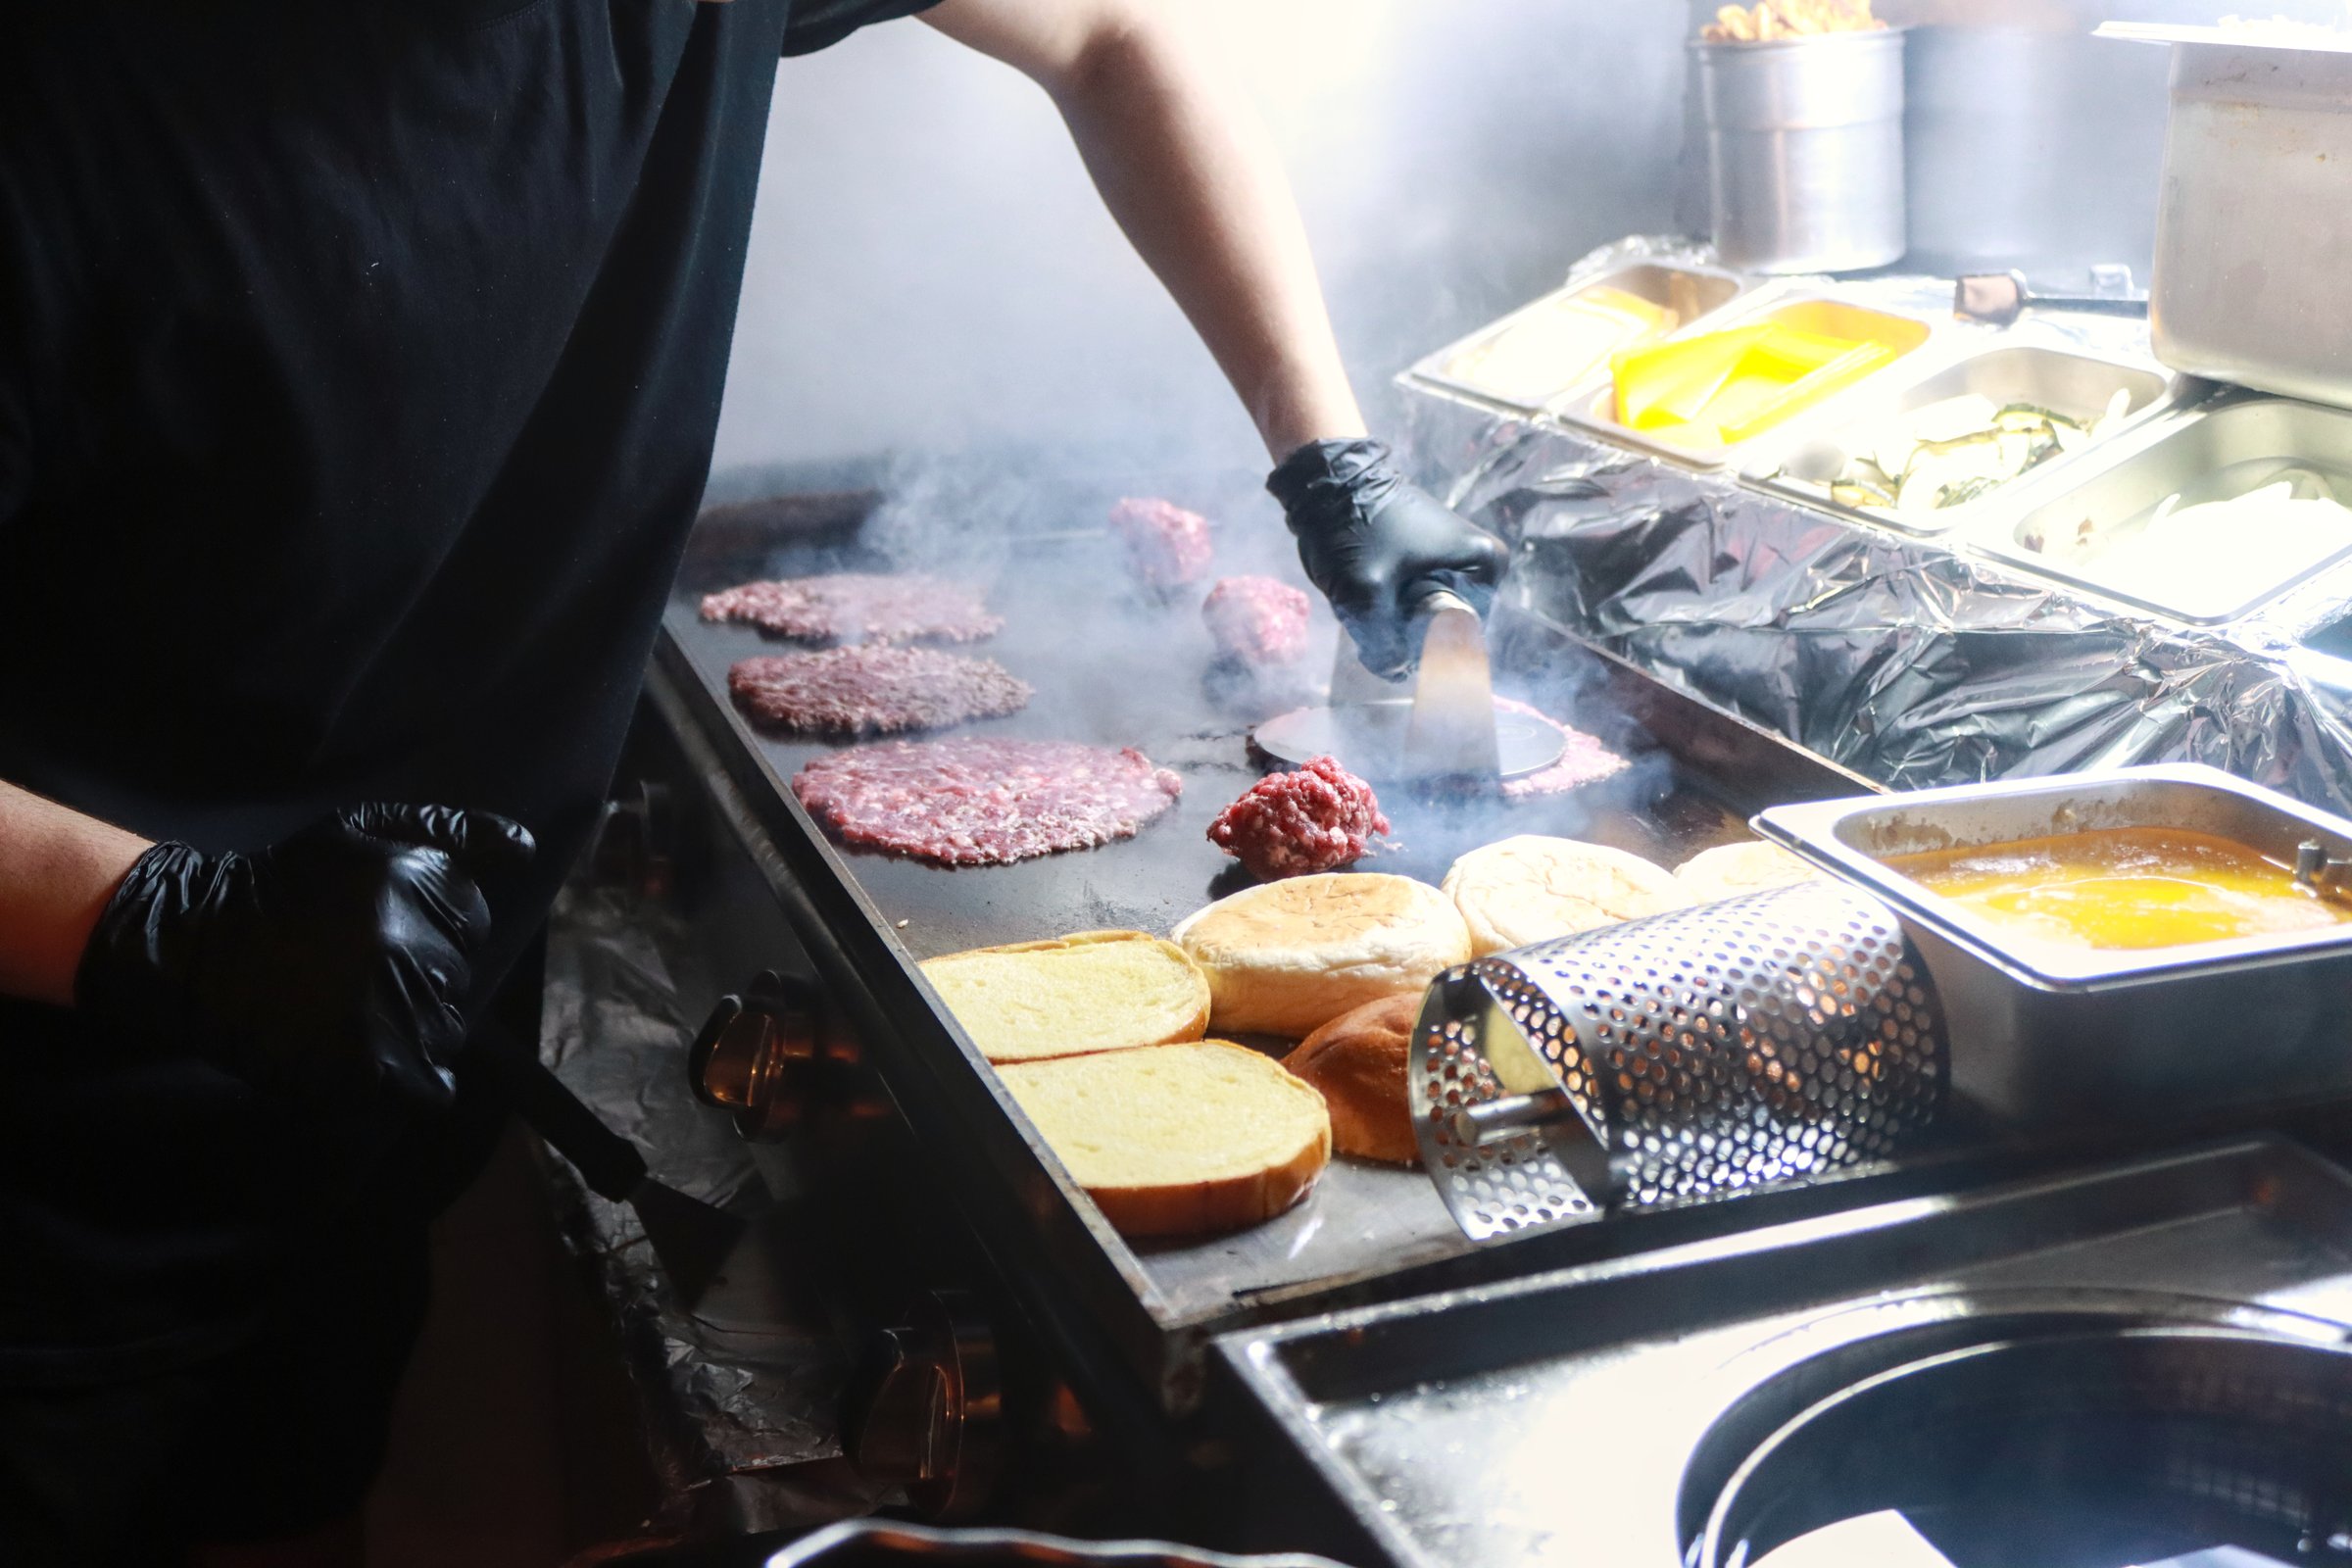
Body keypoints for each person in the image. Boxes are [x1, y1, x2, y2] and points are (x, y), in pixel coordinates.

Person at [0, 0, 1507, 1560]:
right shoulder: (64, 93)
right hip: (57, 1176)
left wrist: (1333, 456)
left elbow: (1117, 29)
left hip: (341, 1114)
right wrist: (156, 916)